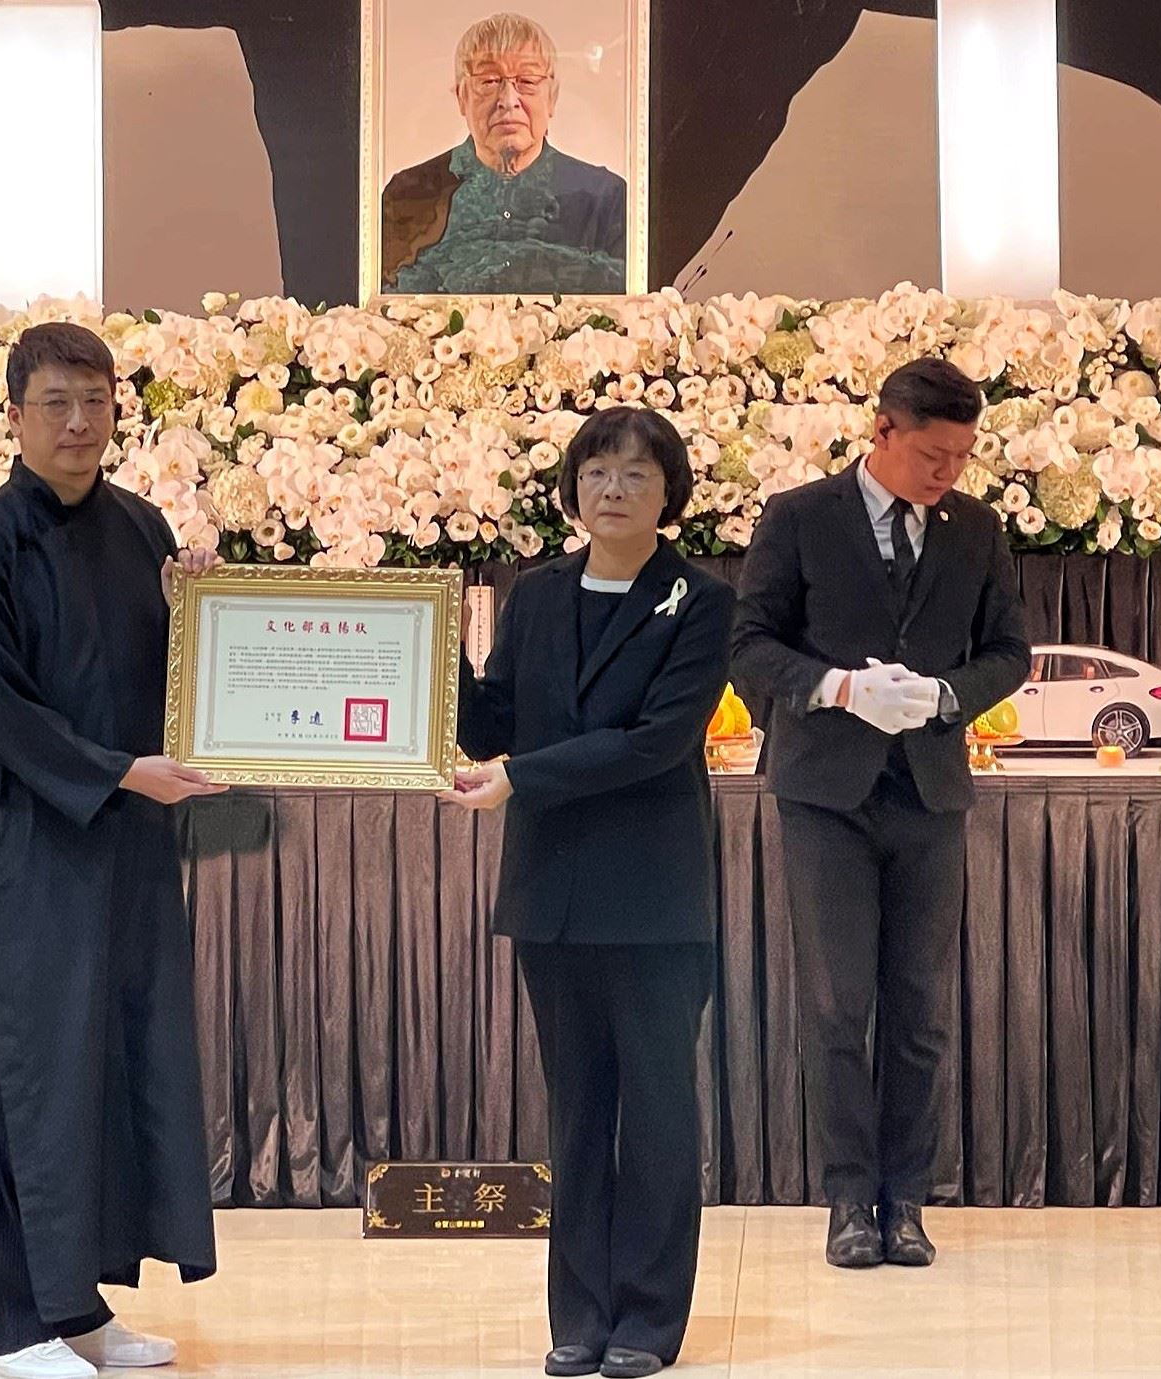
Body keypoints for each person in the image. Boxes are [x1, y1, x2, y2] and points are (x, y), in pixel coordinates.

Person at [0, 323, 227, 1379]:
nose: (78, 422)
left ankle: (81, 1307)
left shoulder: (142, 526)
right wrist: (115, 773)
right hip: (31, 843)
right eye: (55, 403)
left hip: (129, 839)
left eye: (95, 401)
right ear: (14, 415)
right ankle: (13, 1324)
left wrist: (205, 605)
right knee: (33, 1068)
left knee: (114, 1061)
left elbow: (181, 675)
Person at [444, 408, 734, 1379]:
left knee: (654, 1114)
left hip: (653, 898)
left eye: (636, 474)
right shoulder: (533, 595)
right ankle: (578, 1315)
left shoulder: (700, 601)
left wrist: (521, 777)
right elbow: (494, 719)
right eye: (597, 471)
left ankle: (647, 1318)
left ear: (669, 493)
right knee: (574, 1113)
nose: (613, 488)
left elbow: (656, 741)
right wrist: (424, 645)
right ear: (571, 489)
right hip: (552, 893)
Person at [730, 358, 1030, 1270]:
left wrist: (945, 695)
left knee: (920, 1009)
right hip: (825, 793)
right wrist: (834, 686)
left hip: (928, 791)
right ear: (882, 431)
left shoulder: (974, 528)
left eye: (961, 457)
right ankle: (847, 1199)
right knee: (835, 1005)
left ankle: (906, 1201)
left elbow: (1008, 652)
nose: (947, 473)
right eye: (933, 455)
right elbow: (748, 644)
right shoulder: (797, 516)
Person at [382, 12, 628, 296]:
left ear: (552, 97)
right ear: (461, 97)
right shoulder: (409, 194)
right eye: (489, 81)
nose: (509, 101)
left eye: (527, 81)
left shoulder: (605, 199)